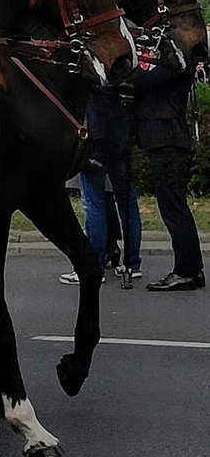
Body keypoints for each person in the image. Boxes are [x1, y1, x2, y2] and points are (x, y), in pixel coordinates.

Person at [132, 58, 206, 291]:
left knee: (173, 207)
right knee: (173, 206)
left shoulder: (177, 60)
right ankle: (190, 268)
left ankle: (187, 271)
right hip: (164, 139)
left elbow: (144, 81)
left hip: (167, 139)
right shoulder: (175, 60)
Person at [59, 85, 142, 285]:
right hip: (120, 141)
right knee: (127, 202)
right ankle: (133, 264)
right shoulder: (120, 75)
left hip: (96, 144)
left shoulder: (93, 79)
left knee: (93, 202)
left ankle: (94, 263)